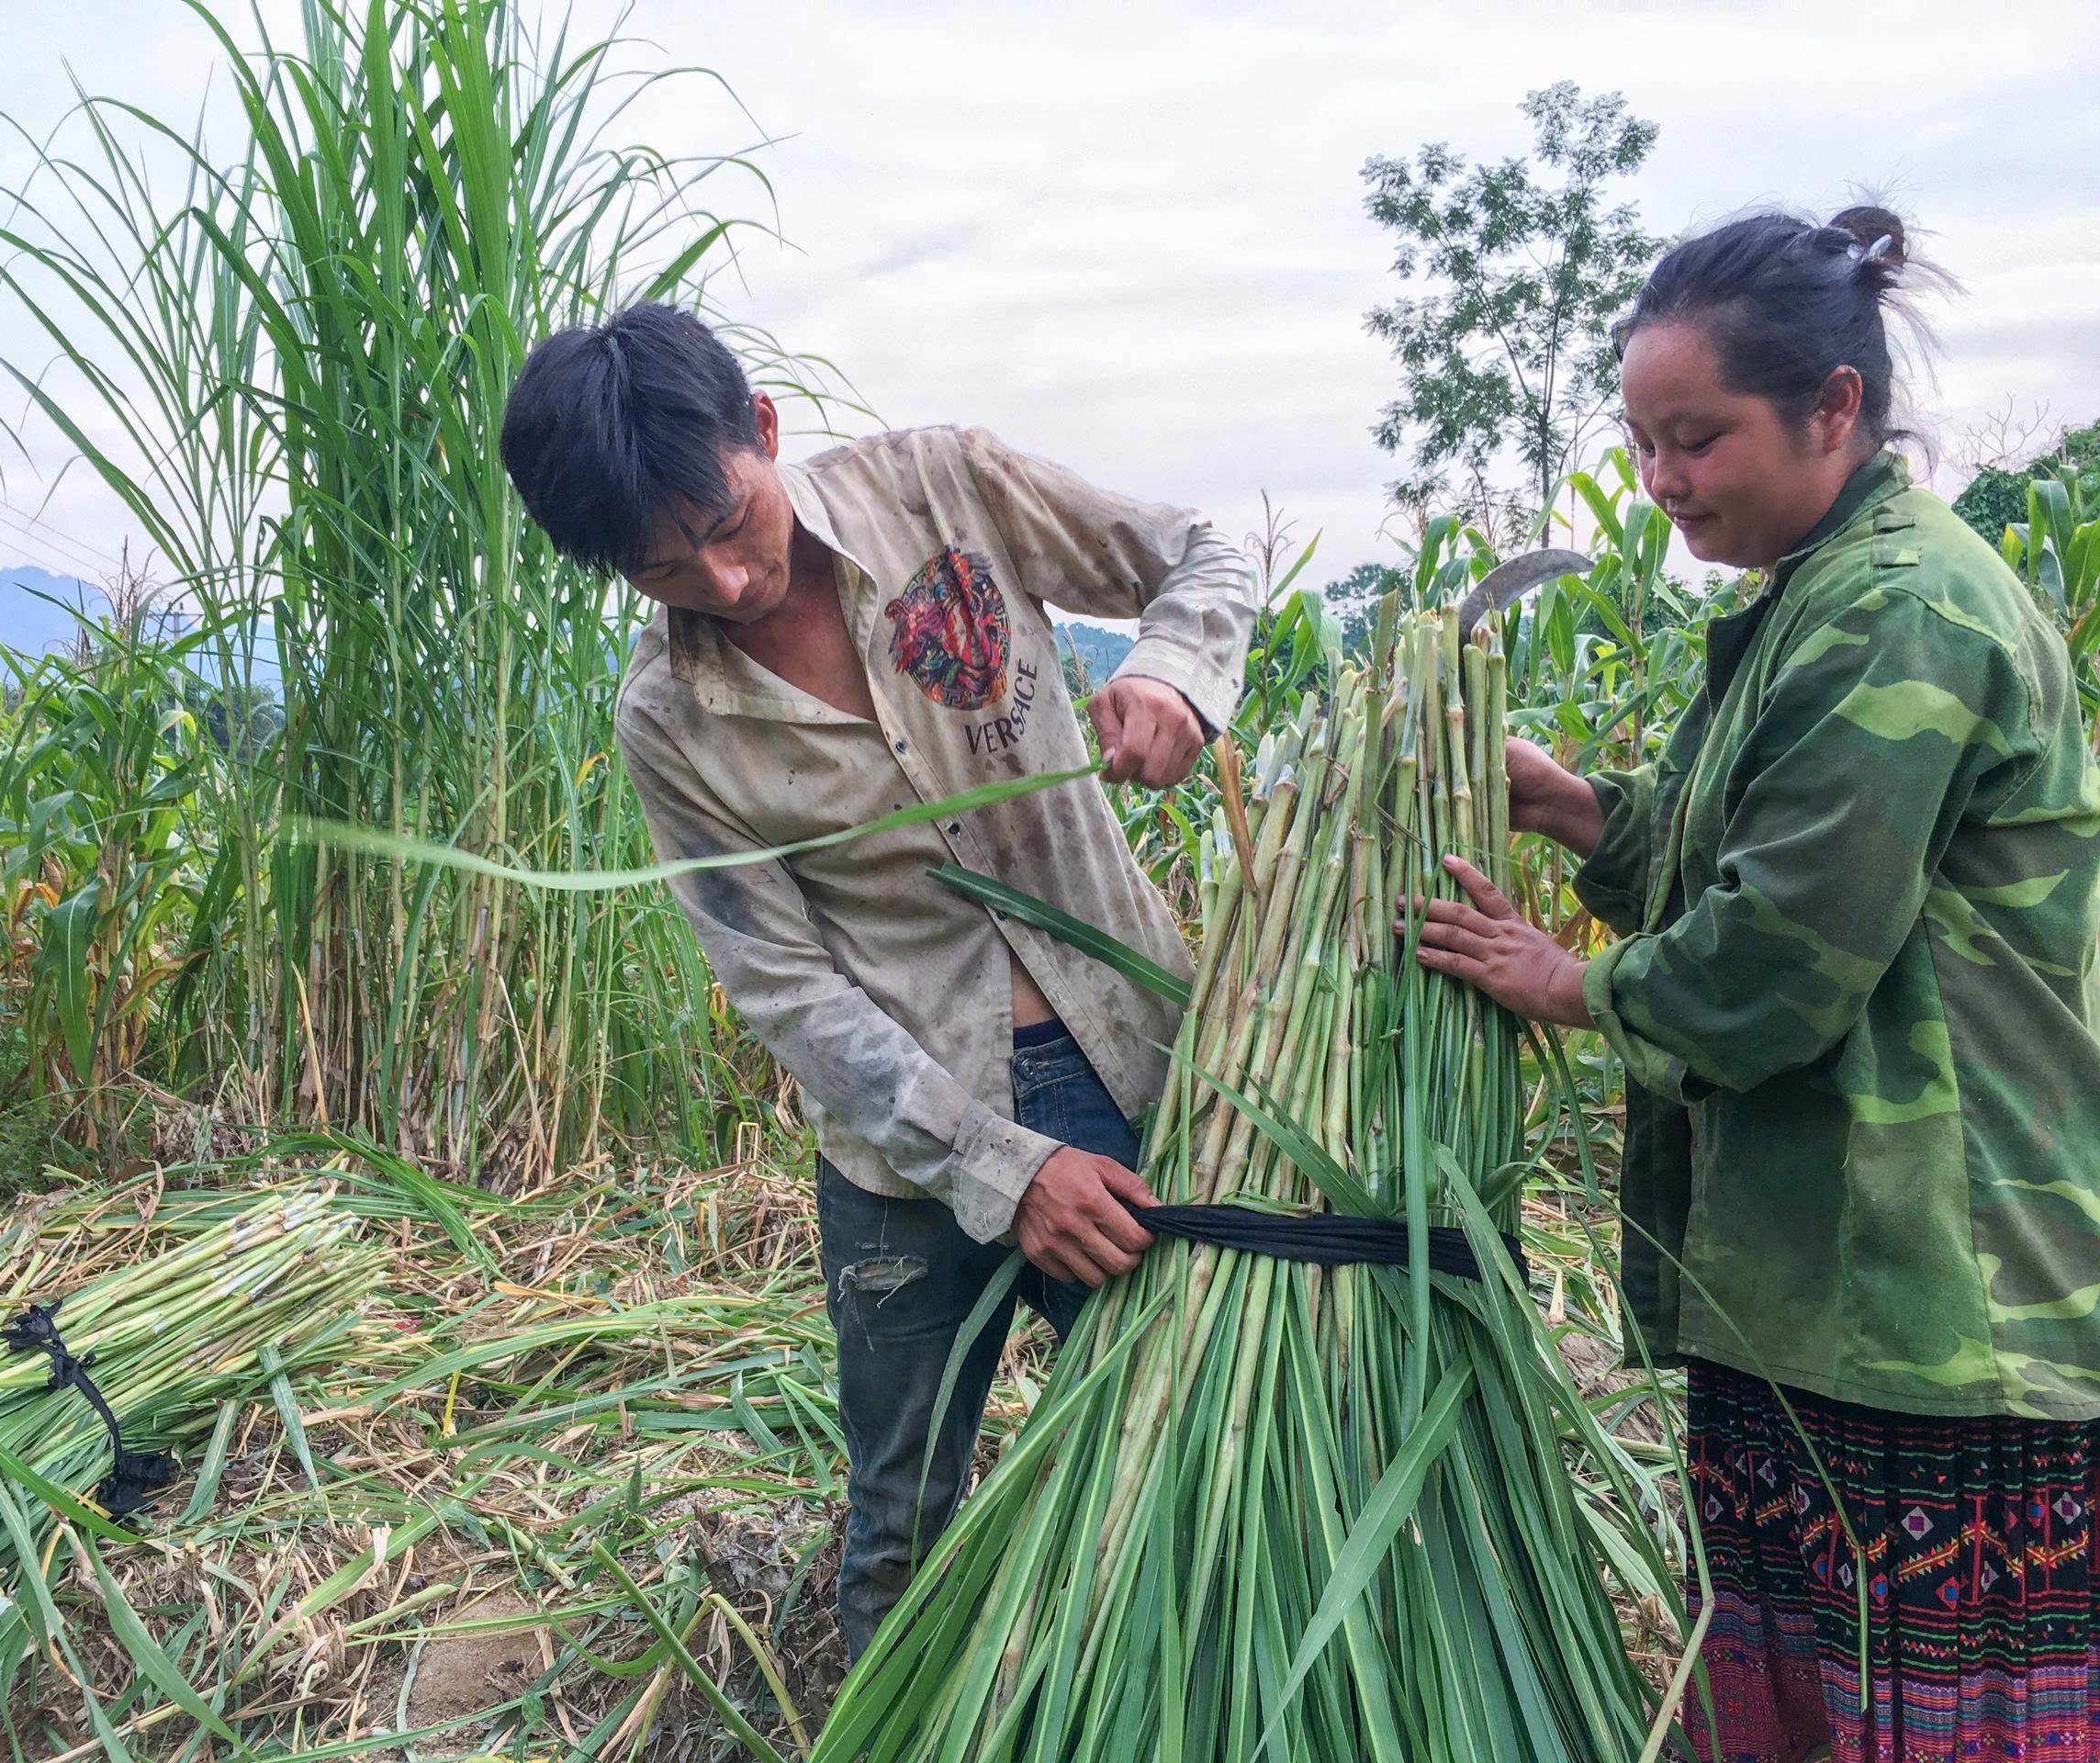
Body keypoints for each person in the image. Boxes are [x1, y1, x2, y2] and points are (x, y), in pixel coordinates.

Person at [1412, 206, 2100, 1762]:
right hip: (1820, 1278)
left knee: (1926, 1709)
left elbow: (1781, 957)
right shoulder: (1810, 596)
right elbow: (1740, 850)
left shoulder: (1901, 611)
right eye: (1644, 442)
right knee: (1803, 1697)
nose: (1662, 482)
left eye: (1697, 437)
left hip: (1938, 1283)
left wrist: (1567, 985)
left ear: (1832, 409)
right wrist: (1582, 810)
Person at [499, 304, 1257, 1658]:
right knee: (901, 1523)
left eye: (732, 525)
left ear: (767, 435)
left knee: (1186, 1454)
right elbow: (784, 988)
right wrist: (1001, 1165)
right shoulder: (669, 719)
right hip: (905, 1153)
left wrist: (1173, 671)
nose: (725, 584)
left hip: (1128, 1068)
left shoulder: (943, 488)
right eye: (666, 568)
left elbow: (1201, 547)